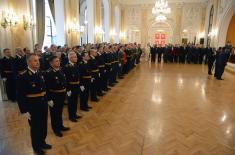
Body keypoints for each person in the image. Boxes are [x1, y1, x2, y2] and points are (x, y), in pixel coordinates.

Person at [16, 54, 51, 155]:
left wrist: (48, 99)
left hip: (43, 104)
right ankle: (36, 147)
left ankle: (42, 142)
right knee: (35, 128)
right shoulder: (23, 76)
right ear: (29, 62)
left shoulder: (39, 73)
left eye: (38, 60)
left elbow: (44, 89)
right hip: (32, 107)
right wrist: (24, 111)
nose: (38, 62)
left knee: (44, 125)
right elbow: (20, 95)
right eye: (35, 61)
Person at [44, 56, 70, 137]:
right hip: (54, 96)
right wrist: (49, 99)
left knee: (60, 112)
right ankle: (56, 129)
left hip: (61, 95)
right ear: (51, 63)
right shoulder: (48, 73)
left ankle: (60, 126)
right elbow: (46, 87)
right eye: (56, 61)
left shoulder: (61, 69)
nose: (58, 62)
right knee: (54, 114)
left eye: (58, 61)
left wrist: (66, 92)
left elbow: (64, 82)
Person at [63, 51, 81, 122]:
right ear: (70, 58)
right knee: (71, 102)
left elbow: (78, 77)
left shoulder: (75, 65)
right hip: (70, 87)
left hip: (76, 86)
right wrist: (68, 90)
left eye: (76, 57)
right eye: (75, 57)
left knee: (75, 101)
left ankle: (74, 114)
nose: (76, 58)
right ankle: (71, 116)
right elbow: (66, 80)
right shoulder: (66, 67)